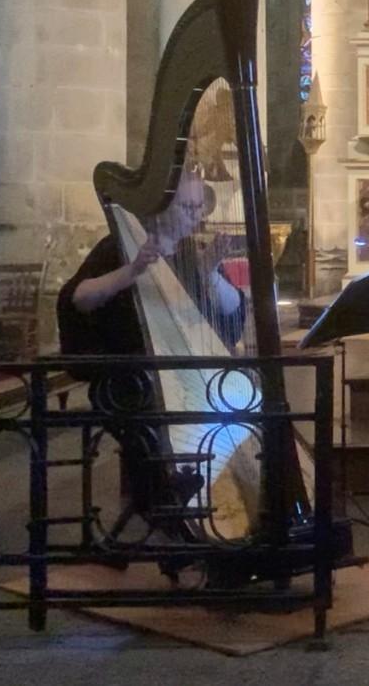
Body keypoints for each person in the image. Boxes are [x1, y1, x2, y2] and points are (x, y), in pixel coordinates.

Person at [57, 167, 246, 531]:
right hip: (127, 380)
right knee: (155, 421)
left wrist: (209, 272)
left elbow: (231, 313)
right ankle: (172, 511)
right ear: (161, 207)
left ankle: (219, 501)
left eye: (198, 208)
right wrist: (133, 270)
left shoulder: (192, 254)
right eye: (187, 207)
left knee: (240, 402)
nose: (196, 216)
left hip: (185, 380)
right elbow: (77, 298)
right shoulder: (119, 245)